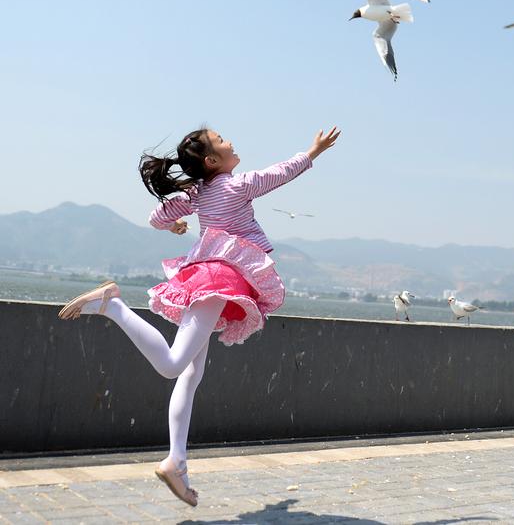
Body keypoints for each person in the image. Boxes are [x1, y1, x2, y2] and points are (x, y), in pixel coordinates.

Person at [58, 125, 340, 506]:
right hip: (218, 280)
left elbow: (157, 216)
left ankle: (177, 461)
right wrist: (313, 151)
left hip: (204, 276)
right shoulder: (236, 186)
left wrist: (174, 224)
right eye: (223, 141)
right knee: (175, 365)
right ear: (212, 161)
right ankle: (113, 306)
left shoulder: (199, 192)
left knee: (192, 373)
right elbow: (279, 173)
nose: (231, 142)